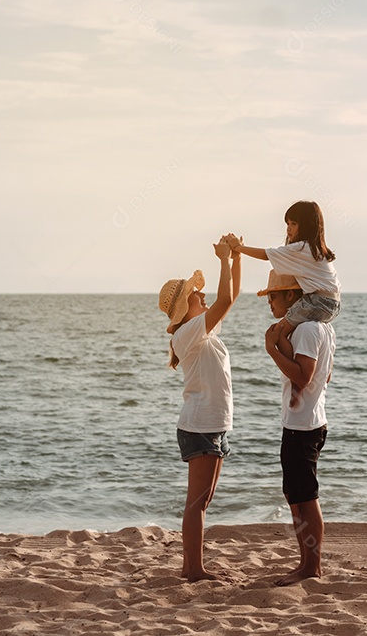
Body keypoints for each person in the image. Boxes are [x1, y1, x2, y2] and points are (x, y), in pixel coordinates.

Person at [157, 234, 242, 582]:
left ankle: (195, 566)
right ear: (184, 308)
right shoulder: (188, 333)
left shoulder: (201, 331)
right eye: (196, 293)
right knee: (196, 502)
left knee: (202, 502)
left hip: (214, 424)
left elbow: (230, 298)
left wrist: (236, 257)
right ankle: (193, 569)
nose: (202, 295)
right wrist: (223, 259)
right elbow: (223, 298)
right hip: (200, 426)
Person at [258, 269, 335, 586]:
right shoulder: (323, 329)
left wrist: (272, 349)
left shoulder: (305, 331)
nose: (270, 303)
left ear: (291, 296)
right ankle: (306, 562)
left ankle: (310, 566)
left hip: (302, 428)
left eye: (273, 296)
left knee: (305, 496)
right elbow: (323, 377)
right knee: (297, 494)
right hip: (311, 421)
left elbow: (303, 376)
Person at [228, 200, 340, 365]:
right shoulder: (317, 250)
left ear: (307, 226)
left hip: (317, 301)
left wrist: (238, 248)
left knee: (278, 333)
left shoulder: (300, 248)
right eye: (287, 223)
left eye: (293, 223)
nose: (288, 228)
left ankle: (295, 368)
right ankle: (315, 365)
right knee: (288, 330)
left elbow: (266, 255)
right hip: (333, 303)